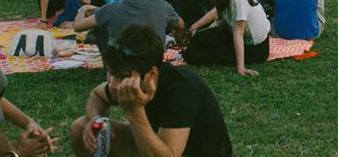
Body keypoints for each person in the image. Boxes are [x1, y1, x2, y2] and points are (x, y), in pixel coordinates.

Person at [68, 24, 232, 157]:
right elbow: (98, 95)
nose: (112, 84)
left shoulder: (182, 90)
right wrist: (96, 119)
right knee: (80, 128)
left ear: (151, 74)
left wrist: (135, 112)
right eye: (110, 73)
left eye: (121, 76)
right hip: (152, 142)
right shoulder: (122, 83)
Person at [183, 0, 271, 73]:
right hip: (240, 37)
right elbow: (219, 19)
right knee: (198, 39)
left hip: (255, 49)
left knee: (193, 55)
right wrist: (205, 34)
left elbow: (239, 33)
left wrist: (241, 67)